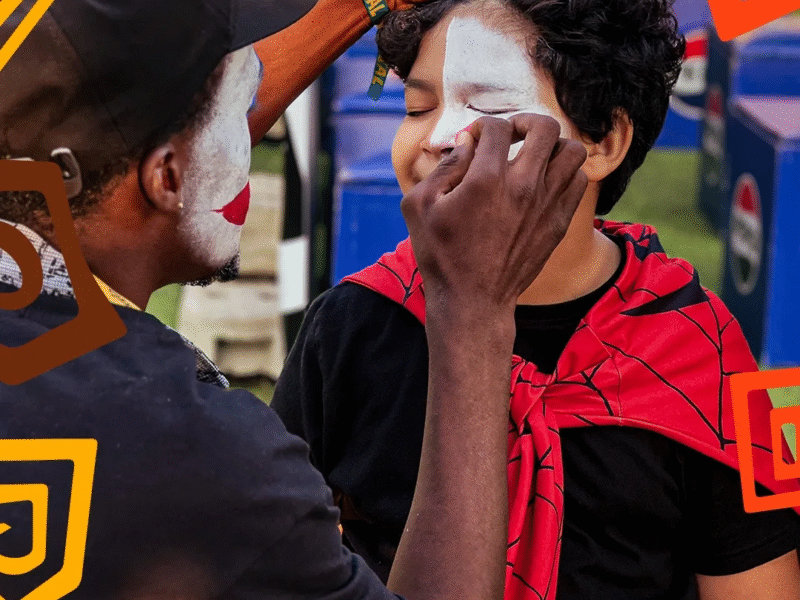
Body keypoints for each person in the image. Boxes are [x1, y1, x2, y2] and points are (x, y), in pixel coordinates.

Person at [0, 0, 590, 598]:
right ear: (167, 176)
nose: (443, 138)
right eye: (240, 109)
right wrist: (473, 310)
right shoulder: (197, 457)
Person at [271, 1, 800, 599]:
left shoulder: (718, 355)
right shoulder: (349, 324)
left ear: (604, 141)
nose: (439, 138)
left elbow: (764, 584)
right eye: (417, 107)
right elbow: (266, 552)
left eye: (491, 109)